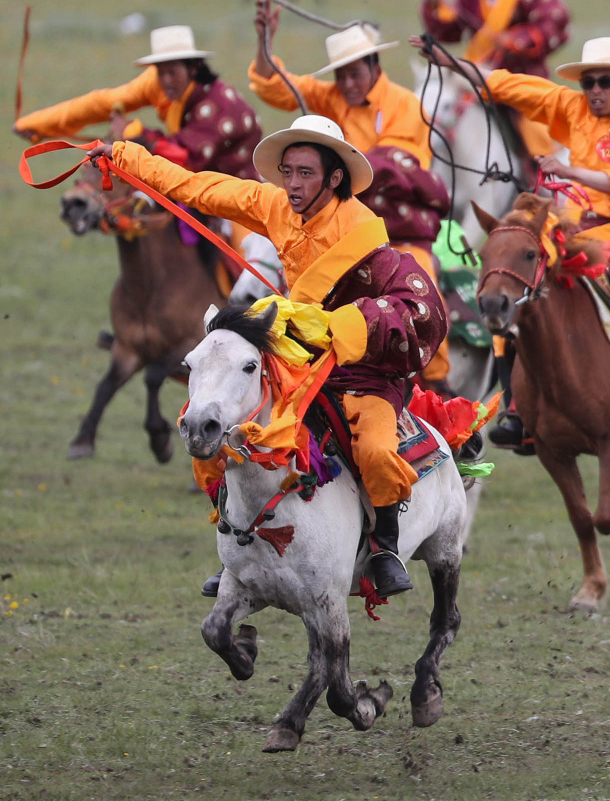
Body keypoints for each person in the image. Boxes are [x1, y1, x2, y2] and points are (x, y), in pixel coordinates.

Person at [83, 116, 447, 601]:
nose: (292, 185)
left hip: (359, 367)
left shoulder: (361, 230)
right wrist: (124, 158)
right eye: (287, 172)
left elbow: (415, 307)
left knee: (377, 451)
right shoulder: (274, 204)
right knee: (224, 425)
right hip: (296, 358)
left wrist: (339, 325)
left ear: (334, 178)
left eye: (305, 174)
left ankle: (384, 546)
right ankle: (238, 552)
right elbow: (200, 188)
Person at [415, 35, 610, 449]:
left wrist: (571, 173)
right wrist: (451, 64)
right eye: (589, 81)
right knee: (510, 298)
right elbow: (506, 85)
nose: (595, 90)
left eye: (606, 82)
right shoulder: (572, 108)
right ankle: (515, 410)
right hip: (569, 234)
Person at [247, 4, 451, 375]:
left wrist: (327, 171)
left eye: (355, 73)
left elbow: (391, 164)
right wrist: (265, 41)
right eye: (341, 75)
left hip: (393, 231)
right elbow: (273, 86)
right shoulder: (332, 97)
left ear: (375, 66)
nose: (349, 84)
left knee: (424, 287)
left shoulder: (404, 104)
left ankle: (435, 383)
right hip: (330, 228)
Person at [15, 26, 262, 180]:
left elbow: (184, 158)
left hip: (237, 186)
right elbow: (103, 103)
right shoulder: (156, 82)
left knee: (248, 257)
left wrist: (134, 133)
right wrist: (38, 124)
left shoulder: (220, 105)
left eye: (173, 72)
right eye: (160, 71)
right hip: (190, 181)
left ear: (193, 67)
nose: (165, 81)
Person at [419, 0, 573, 156]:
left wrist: (518, 39)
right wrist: (435, 10)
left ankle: (542, 177)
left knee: (537, 135)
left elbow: (556, 20)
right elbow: (452, 30)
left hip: (520, 79)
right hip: (477, 77)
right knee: (441, 112)